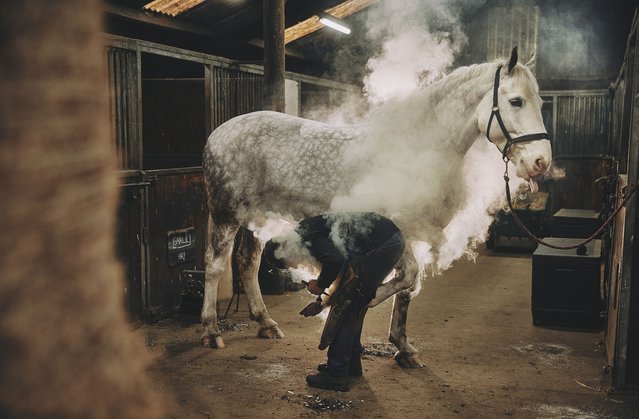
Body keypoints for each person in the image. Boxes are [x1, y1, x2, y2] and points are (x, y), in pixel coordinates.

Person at [263, 212, 405, 391]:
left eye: (289, 264)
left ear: (286, 251)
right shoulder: (306, 233)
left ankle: (337, 373)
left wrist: (320, 285)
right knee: (355, 303)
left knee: (348, 305)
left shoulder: (309, 237)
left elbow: (335, 261)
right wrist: (321, 302)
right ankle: (351, 364)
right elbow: (342, 275)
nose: (294, 266)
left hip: (383, 243)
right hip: (387, 239)